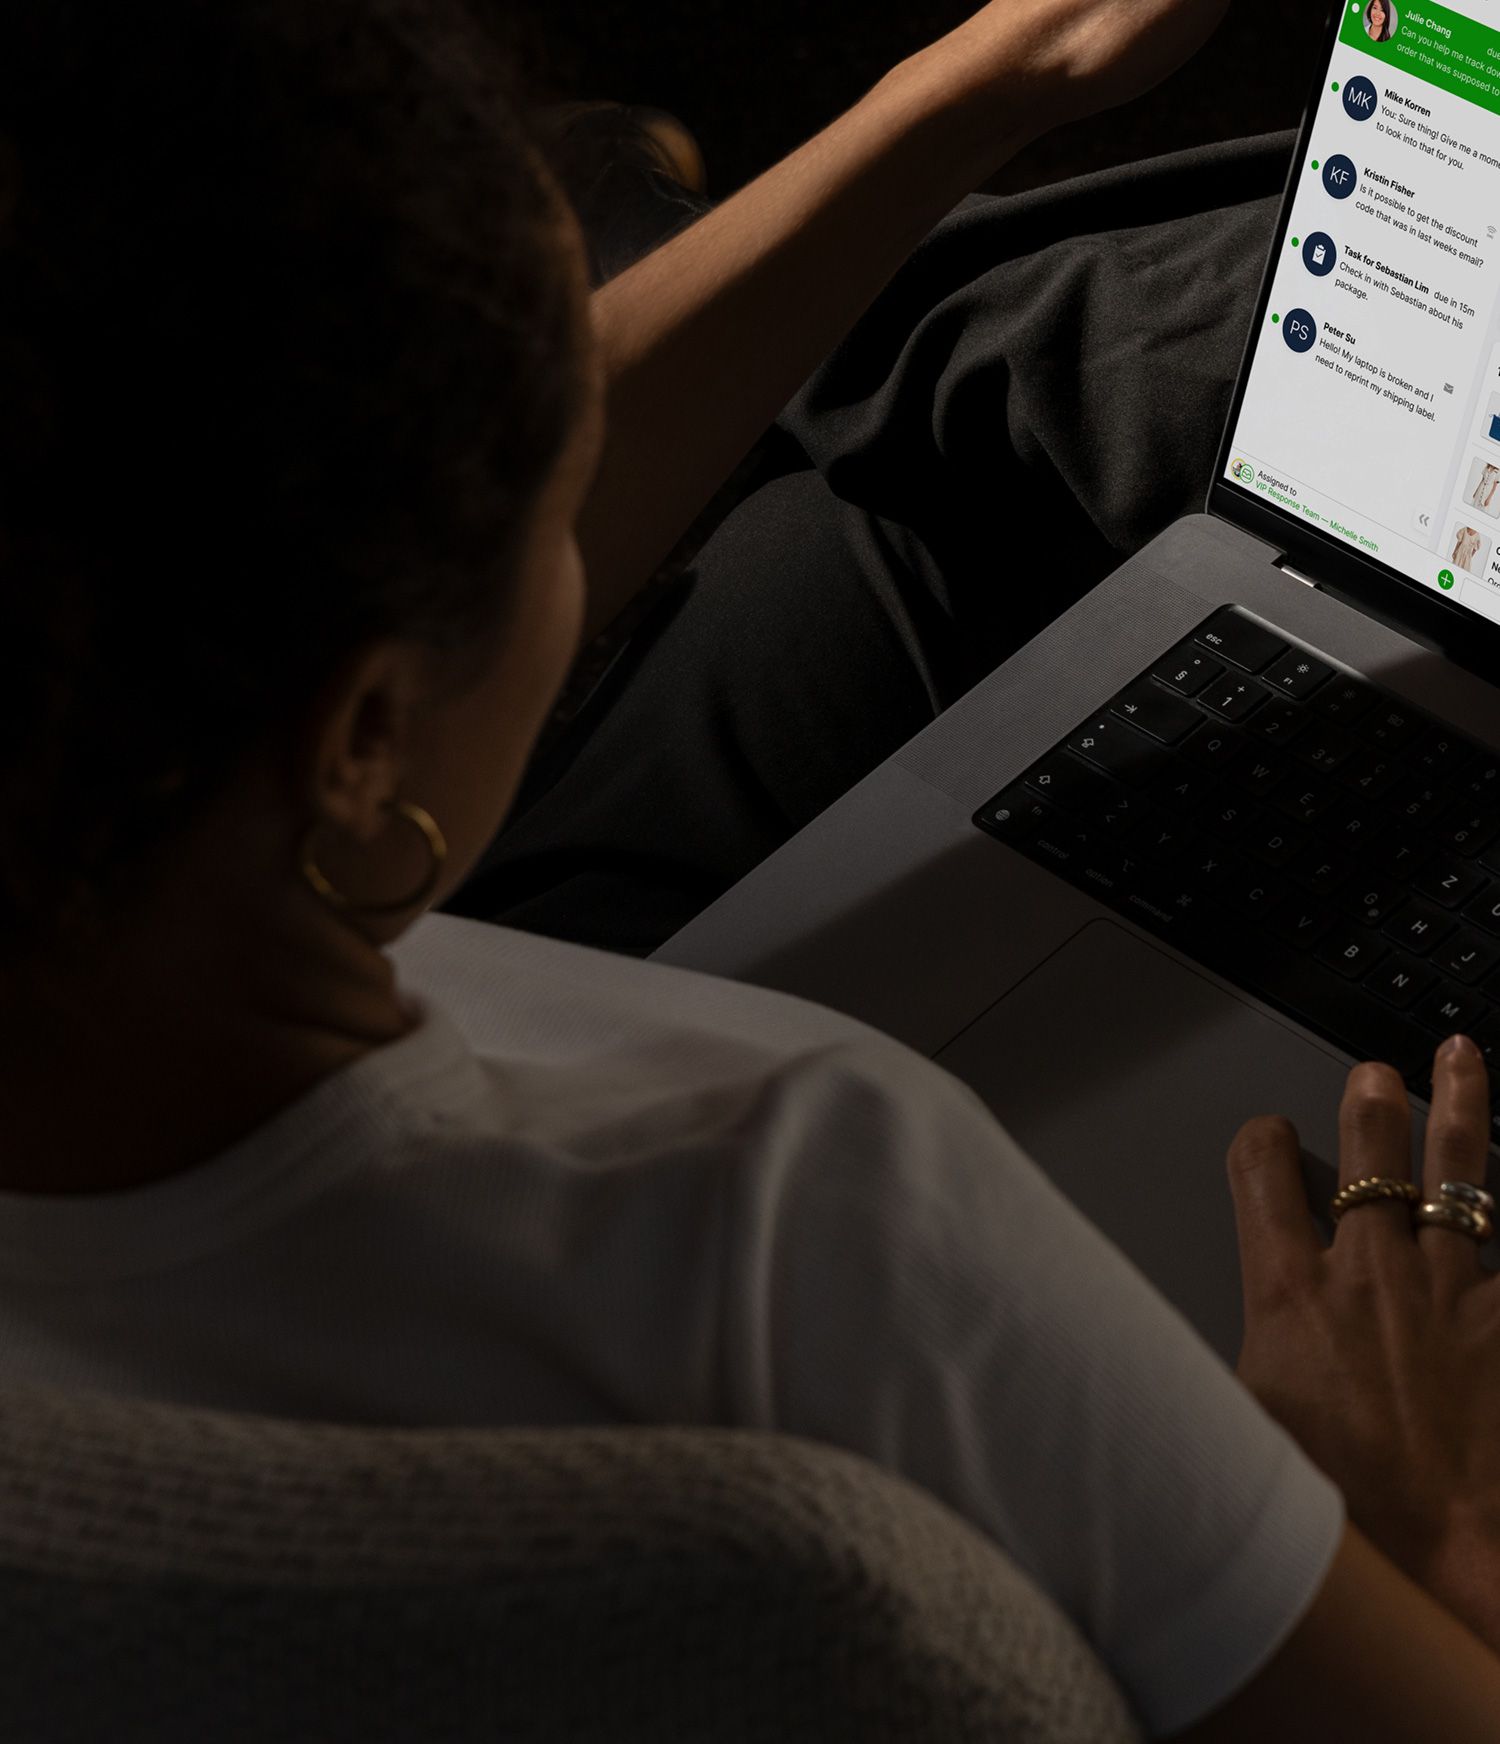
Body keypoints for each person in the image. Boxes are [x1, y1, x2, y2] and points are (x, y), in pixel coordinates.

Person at [6, 3, 1500, 1740]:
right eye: (556, 503)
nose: (594, 541)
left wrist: (992, 80)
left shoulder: (101, 836)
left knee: (862, 491)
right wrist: (1412, 1522)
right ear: (357, 743)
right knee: (1036, 362)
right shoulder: (805, 1213)